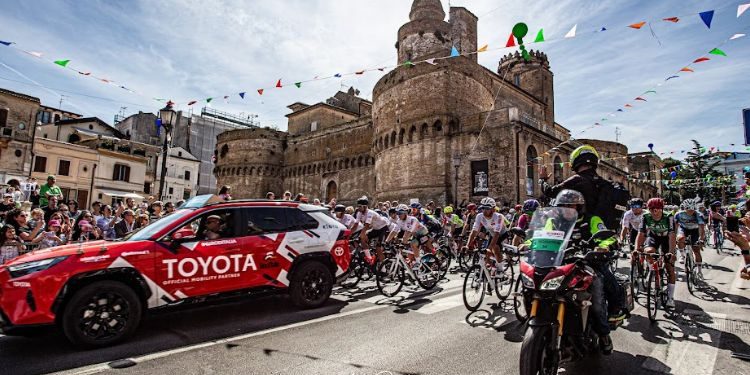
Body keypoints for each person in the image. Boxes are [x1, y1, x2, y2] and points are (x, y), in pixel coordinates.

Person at [548, 189, 621, 354]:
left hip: (587, 264)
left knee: (596, 296)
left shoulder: (592, 220)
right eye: (563, 205)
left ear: (579, 206)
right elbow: (541, 235)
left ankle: (604, 334)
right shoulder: (553, 222)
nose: (567, 208)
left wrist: (603, 246)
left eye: (570, 205)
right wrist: (528, 242)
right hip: (561, 265)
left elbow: (608, 237)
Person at [635, 198, 677, 308]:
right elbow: (641, 233)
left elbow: (672, 235)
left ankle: (670, 298)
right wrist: (636, 248)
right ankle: (652, 269)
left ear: (662, 209)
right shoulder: (645, 216)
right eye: (651, 209)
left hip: (666, 239)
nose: (654, 212)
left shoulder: (669, 216)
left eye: (657, 209)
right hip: (653, 237)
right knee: (648, 252)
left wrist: (671, 253)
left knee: (669, 268)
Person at [542, 145, 602, 215]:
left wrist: (542, 180)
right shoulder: (605, 183)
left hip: (582, 222)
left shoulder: (576, 180)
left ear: (575, 160)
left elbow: (550, 191)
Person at [465, 197, 508, 274]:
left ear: (493, 209)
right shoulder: (479, 216)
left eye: (487, 208)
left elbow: (497, 234)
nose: (484, 211)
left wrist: (490, 249)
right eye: (483, 208)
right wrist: (467, 245)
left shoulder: (498, 216)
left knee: (495, 248)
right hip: (492, 234)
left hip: (502, 234)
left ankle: (500, 269)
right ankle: (489, 269)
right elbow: (474, 231)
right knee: (485, 254)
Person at [673, 199, 706, 276]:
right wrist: (674, 238)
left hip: (695, 230)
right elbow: (675, 227)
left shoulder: (699, 215)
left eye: (692, 210)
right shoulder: (679, 214)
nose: (690, 211)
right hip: (683, 229)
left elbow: (701, 228)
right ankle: (682, 255)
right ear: (684, 208)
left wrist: (701, 239)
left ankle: (699, 270)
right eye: (688, 209)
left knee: (696, 250)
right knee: (680, 238)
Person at [354, 196, 390, 262]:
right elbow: (355, 225)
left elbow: (367, 225)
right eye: (357, 206)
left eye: (360, 206)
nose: (358, 208)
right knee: (362, 239)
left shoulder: (370, 213)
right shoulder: (359, 213)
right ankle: (369, 258)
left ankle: (384, 269)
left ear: (365, 206)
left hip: (383, 228)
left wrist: (362, 234)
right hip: (375, 229)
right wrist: (348, 233)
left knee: (378, 248)